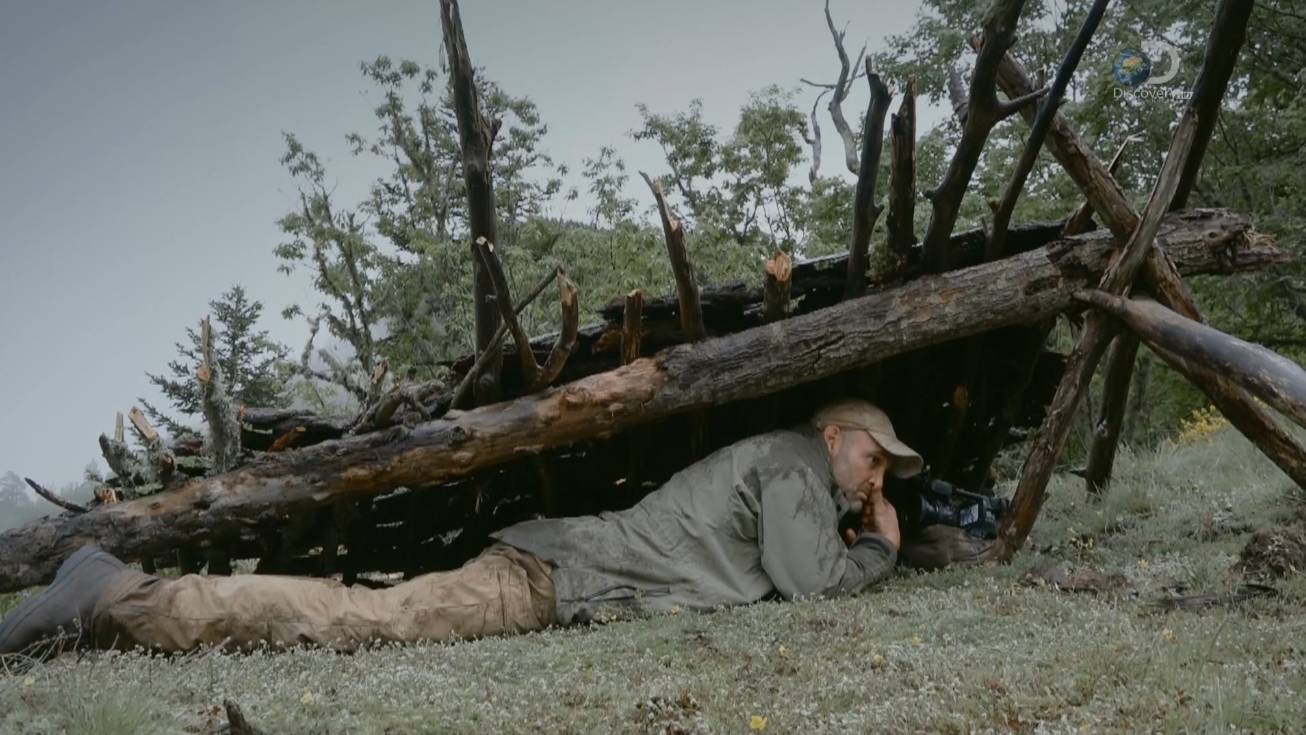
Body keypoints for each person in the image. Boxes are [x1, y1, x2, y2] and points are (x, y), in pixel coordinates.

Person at [0, 398, 926, 657]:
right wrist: (882, 541)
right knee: (361, 620)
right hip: (555, 576)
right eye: (872, 459)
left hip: (565, 570)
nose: (874, 476)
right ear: (834, 436)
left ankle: (103, 599)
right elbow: (815, 584)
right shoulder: (792, 462)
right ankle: (122, 596)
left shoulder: (789, 471)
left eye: (884, 471)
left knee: (367, 612)